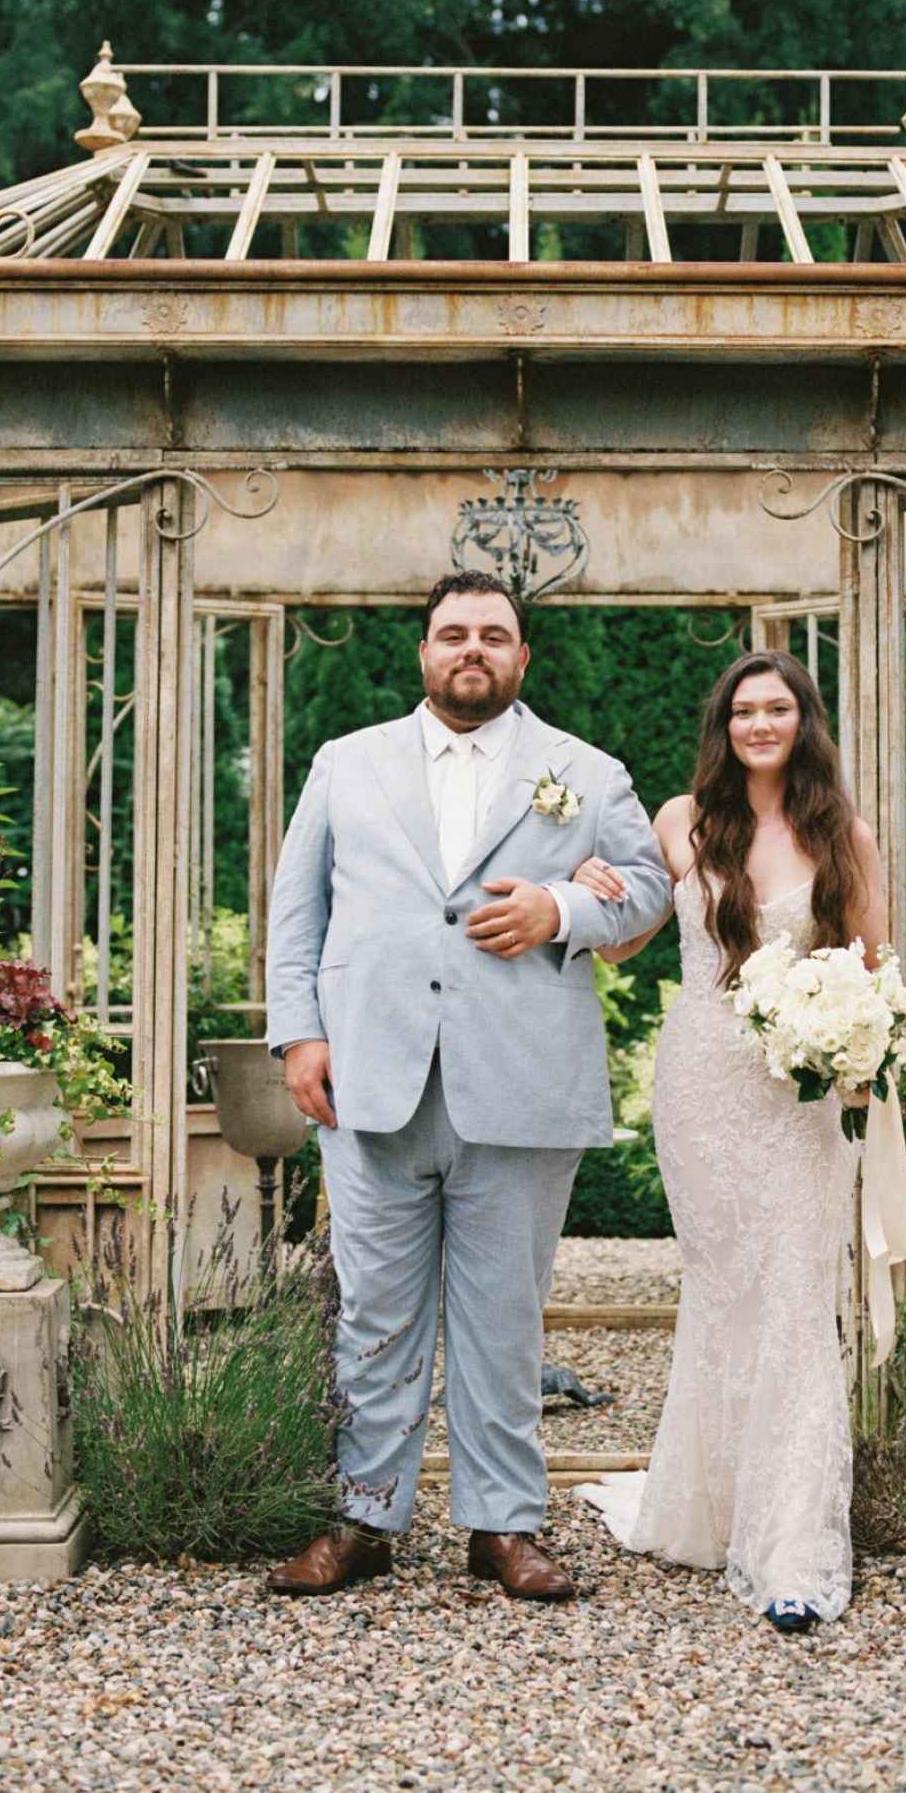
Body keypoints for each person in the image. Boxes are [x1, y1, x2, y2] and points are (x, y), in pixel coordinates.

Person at [264, 570, 670, 1600]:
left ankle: (503, 1526)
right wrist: (299, 1035)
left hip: (521, 1082)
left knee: (504, 1319)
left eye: (493, 634)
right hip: (371, 1079)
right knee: (373, 1316)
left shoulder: (584, 770)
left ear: (522, 657)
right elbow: (296, 911)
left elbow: (648, 889)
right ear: (424, 652)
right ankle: (364, 1519)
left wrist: (559, 910)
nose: (472, 649)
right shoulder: (346, 762)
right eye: (454, 633)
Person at [574, 649, 898, 1631]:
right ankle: (716, 1509)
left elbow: (873, 963)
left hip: (799, 1094)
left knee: (795, 1296)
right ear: (724, 724)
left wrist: (855, 1045)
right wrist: (591, 888)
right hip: (702, 1084)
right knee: (723, 1293)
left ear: (804, 721)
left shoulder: (842, 832)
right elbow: (625, 942)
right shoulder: (683, 820)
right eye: (744, 709)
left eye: (778, 708)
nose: (760, 723)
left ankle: (791, 1546)